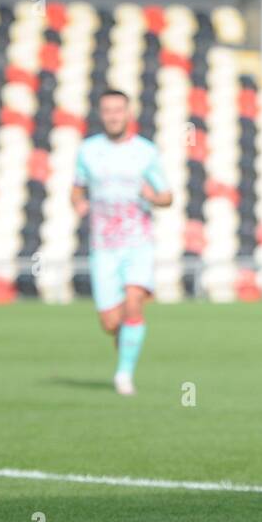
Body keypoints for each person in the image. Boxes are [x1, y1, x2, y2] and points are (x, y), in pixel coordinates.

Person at [71, 90, 172, 396]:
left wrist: (153, 197)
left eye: (119, 110)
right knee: (110, 322)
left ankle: (124, 376)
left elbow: (168, 196)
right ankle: (126, 341)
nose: (114, 115)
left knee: (133, 302)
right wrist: (78, 204)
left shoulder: (145, 151)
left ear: (129, 113)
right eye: (108, 110)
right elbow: (76, 189)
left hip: (138, 242)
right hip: (103, 246)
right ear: (101, 114)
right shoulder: (88, 150)